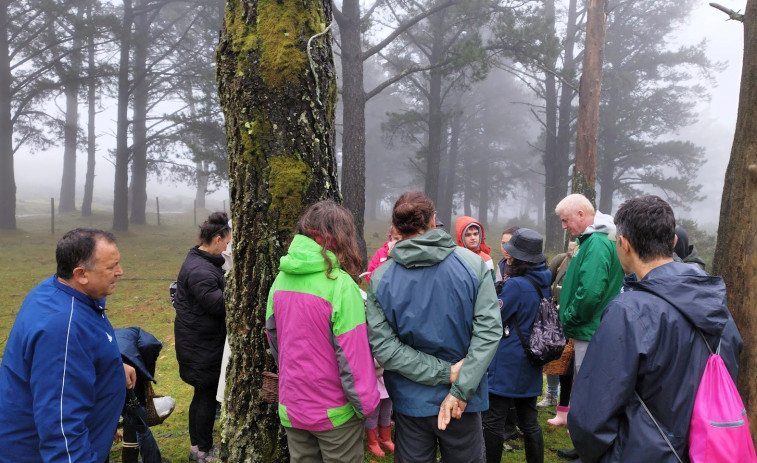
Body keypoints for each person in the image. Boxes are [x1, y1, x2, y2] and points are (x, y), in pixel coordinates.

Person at [568, 195, 743, 462]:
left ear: (624, 244)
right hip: (706, 449)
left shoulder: (627, 312)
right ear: (673, 242)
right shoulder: (714, 302)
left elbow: (591, 416)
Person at [366, 191, 502, 463]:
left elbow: (385, 347)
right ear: (433, 221)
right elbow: (488, 331)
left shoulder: (381, 278)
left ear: (396, 227)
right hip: (457, 398)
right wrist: (454, 380)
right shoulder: (472, 264)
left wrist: (457, 385)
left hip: (419, 399)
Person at [0, 228, 135, 462]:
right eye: (111, 267)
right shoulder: (63, 329)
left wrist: (110, 368)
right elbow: (60, 427)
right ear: (81, 274)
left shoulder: (58, 291)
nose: (120, 272)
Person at [265, 201, 379, 463]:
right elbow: (354, 358)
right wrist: (366, 406)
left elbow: (274, 340)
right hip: (335, 413)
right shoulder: (340, 286)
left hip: (293, 405)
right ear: (339, 237)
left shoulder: (280, 279)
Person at [554, 194, 624, 461]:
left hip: (589, 329)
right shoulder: (601, 239)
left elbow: (591, 292)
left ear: (581, 215)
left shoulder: (595, 242)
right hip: (594, 327)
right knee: (591, 389)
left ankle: (589, 451)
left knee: (588, 391)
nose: (563, 226)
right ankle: (585, 447)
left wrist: (569, 318)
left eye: (566, 220)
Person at [483, 228, 548, 463]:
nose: (507, 256)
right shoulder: (544, 279)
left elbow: (495, 317)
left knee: (493, 420)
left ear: (518, 258)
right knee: (529, 421)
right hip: (532, 359)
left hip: (508, 362)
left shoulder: (517, 285)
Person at [174, 212, 231, 462]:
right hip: (201, 345)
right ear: (217, 239)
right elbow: (219, 306)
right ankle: (204, 450)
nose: (227, 248)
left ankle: (197, 446)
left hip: (197, 342)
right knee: (206, 396)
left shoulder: (200, 260)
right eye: (227, 243)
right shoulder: (201, 271)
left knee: (201, 395)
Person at [538, 241, 577, 423]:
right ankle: (552, 394)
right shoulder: (562, 260)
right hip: (556, 320)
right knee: (553, 358)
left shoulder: (588, 261)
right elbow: (546, 280)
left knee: (569, 366)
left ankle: (568, 405)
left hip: (574, 321)